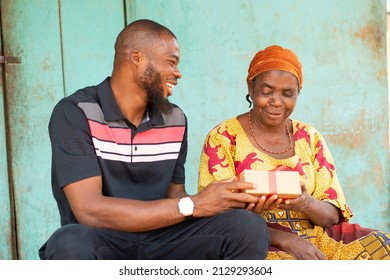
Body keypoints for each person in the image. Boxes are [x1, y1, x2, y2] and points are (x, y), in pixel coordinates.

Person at [38, 19, 271, 260]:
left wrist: (228, 201)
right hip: (102, 239)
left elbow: (175, 197)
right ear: (137, 58)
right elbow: (89, 210)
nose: (178, 73)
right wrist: (194, 204)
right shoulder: (77, 112)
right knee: (68, 242)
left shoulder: (175, 118)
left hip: (163, 239)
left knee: (246, 226)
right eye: (171, 62)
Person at [197, 45, 390, 260]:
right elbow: (215, 215)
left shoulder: (310, 137)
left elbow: (332, 216)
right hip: (258, 240)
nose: (276, 102)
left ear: (298, 93)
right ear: (251, 88)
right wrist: (287, 239)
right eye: (267, 91)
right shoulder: (224, 137)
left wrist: (305, 202)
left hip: (317, 237)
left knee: (384, 246)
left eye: (287, 94)